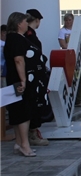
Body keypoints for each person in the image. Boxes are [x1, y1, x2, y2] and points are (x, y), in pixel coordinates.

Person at [4, 12, 38, 156]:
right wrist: (23, 80)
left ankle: (19, 143)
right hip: (20, 81)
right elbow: (19, 59)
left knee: (17, 112)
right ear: (19, 24)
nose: (27, 24)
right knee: (24, 112)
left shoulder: (11, 38)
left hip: (16, 79)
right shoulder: (16, 39)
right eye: (25, 21)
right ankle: (25, 144)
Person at [24, 9, 51, 146]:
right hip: (33, 75)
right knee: (35, 103)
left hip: (32, 73)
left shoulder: (27, 34)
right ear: (37, 20)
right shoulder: (29, 34)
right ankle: (33, 133)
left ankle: (32, 132)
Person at [58, 13, 81, 106]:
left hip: (77, 55)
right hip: (68, 56)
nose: (68, 22)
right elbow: (63, 45)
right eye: (66, 20)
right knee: (69, 77)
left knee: (78, 78)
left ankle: (78, 99)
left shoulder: (77, 30)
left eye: (70, 20)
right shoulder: (63, 31)